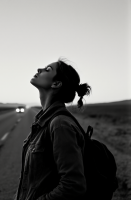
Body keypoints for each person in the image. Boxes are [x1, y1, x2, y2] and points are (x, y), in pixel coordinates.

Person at [14, 58, 91, 200]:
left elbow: (73, 186)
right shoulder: (45, 121)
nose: (39, 69)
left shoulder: (60, 124)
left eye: (48, 69)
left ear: (56, 83)